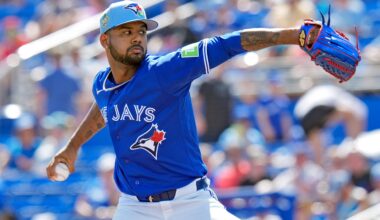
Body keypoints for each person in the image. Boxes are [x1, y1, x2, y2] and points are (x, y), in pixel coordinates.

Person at [46, 1, 318, 219]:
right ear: (105, 41)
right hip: (135, 207)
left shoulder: (165, 71)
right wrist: (72, 146)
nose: (137, 38)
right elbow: (103, 108)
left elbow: (226, 44)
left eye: (141, 31)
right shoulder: (102, 85)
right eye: (126, 32)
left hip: (191, 202)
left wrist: (292, 35)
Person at [294, 84, 367, 165]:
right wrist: (353, 143)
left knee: (317, 146)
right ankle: (351, 148)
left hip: (302, 112)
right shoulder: (357, 108)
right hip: (317, 106)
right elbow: (351, 115)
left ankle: (320, 164)